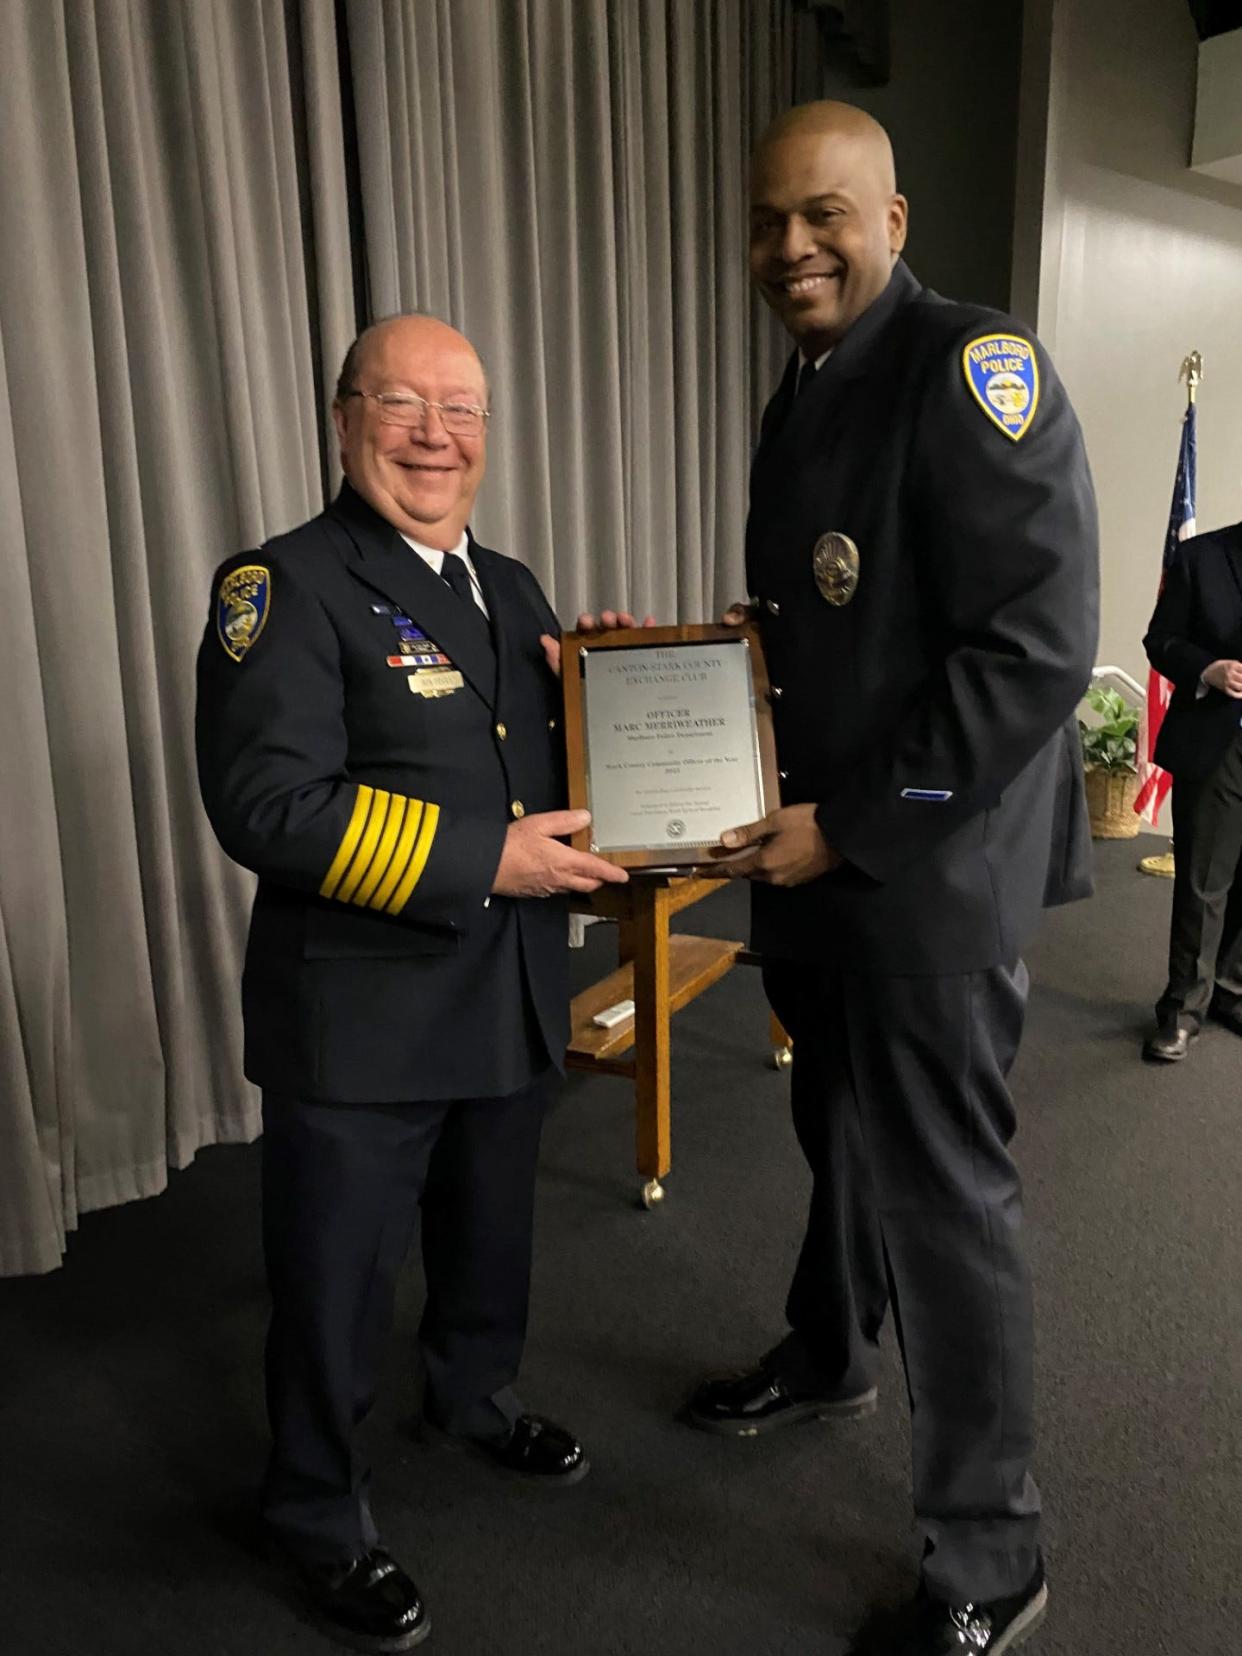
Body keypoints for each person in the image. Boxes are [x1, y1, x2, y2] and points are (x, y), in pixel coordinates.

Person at [686, 103, 1099, 1655]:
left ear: (894, 220)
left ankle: (991, 1555)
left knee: (944, 1199)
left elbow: (1039, 648)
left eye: (823, 215)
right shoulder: (801, 399)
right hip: (819, 867)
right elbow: (819, 636)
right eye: (768, 222)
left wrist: (852, 827)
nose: (791, 245)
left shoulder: (971, 372)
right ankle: (825, 1346)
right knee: (832, 1133)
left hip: (916, 873)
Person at [196, 313, 639, 1653]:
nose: (434, 434)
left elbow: (531, 770)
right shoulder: (279, 585)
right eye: (401, 404)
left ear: (488, 436)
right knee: (336, 1277)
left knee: (488, 1235)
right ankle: (316, 1505)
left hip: (500, 995)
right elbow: (266, 805)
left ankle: (469, 1398)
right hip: (362, 1016)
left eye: (460, 409)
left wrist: (607, 692)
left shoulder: (508, 586)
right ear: (344, 422)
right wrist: (484, 862)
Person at [1141, 519, 1242, 1061]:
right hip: (1217, 742)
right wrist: (1208, 668)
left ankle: (1232, 990)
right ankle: (1182, 1010)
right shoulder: (1201, 557)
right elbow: (1160, 640)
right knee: (1204, 882)